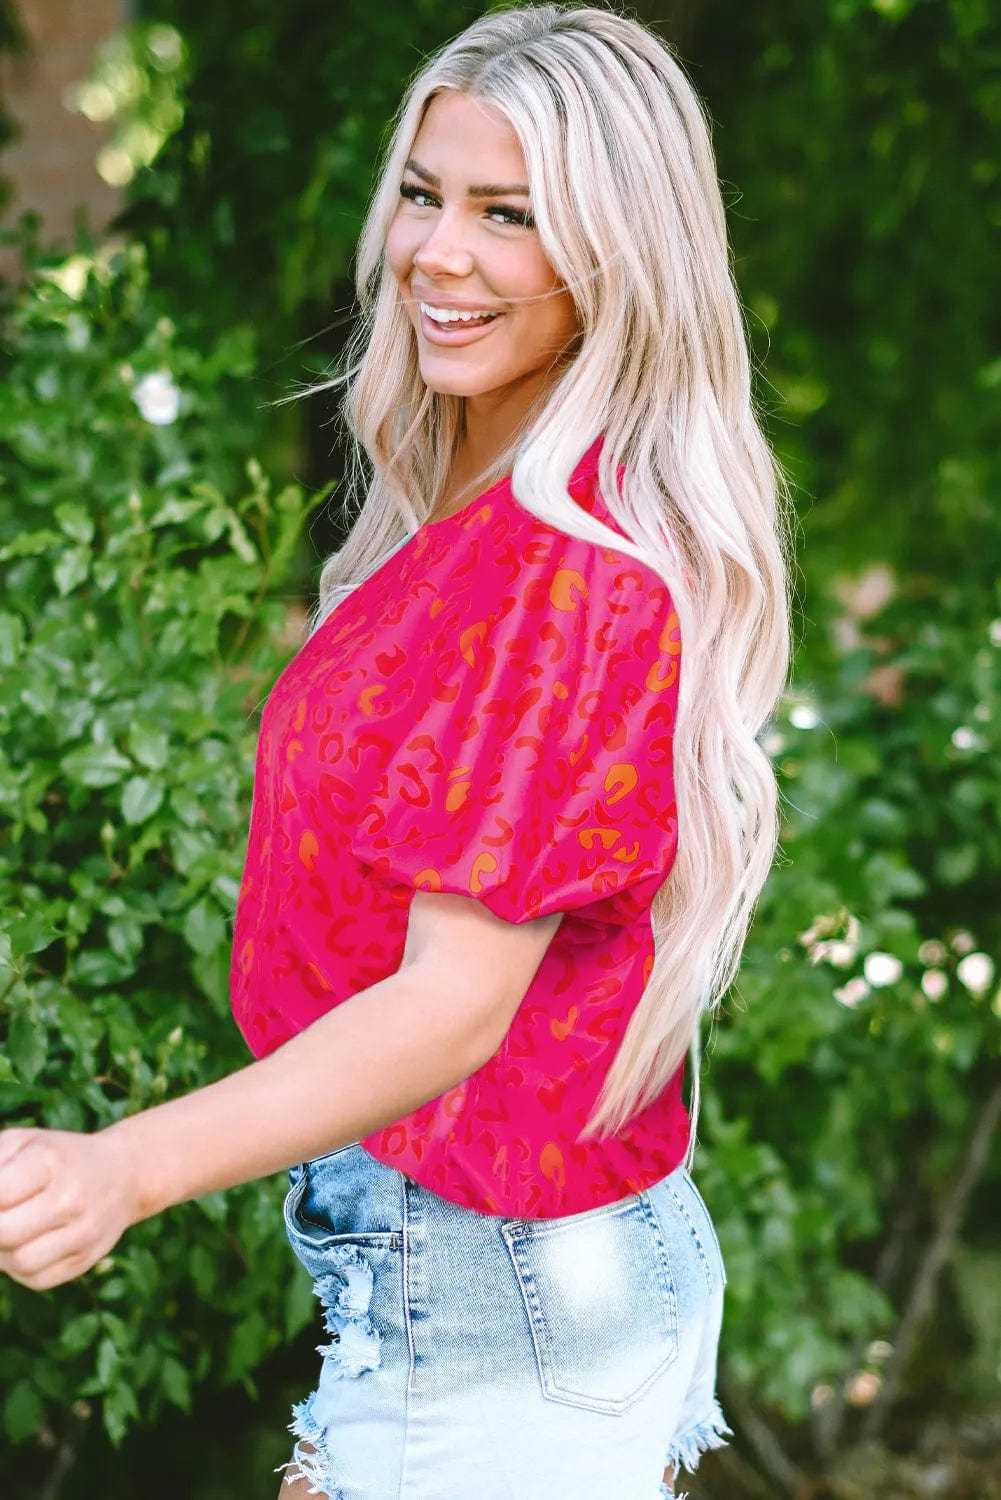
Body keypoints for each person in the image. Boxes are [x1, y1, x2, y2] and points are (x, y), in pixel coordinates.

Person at [0, 5, 794, 1497]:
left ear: (618, 252)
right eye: (426, 193)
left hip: (494, 1301)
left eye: (509, 216)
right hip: (487, 1272)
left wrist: (123, 1168)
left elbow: (450, 1009)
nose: (437, 252)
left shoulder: (567, 572)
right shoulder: (490, 510)